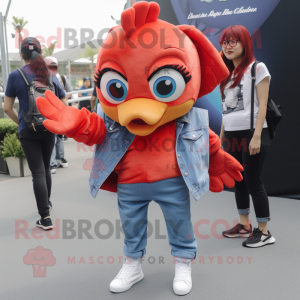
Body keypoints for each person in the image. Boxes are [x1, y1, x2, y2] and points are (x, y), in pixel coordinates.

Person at [219, 25, 275, 248]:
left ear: (245, 44)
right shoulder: (225, 74)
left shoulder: (257, 68)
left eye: (233, 42)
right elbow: (224, 111)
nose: (228, 46)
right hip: (231, 133)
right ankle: (244, 226)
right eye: (224, 42)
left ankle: (264, 232)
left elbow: (263, 105)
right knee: (238, 181)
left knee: (253, 180)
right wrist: (221, 140)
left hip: (252, 132)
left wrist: (257, 135)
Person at [3, 37, 67, 230]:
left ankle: (45, 217)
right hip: (48, 127)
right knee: (46, 169)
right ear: (40, 53)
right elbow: (64, 103)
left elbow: (6, 108)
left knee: (37, 172)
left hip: (28, 130)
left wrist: (22, 122)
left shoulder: (16, 75)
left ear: (22, 55)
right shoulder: (49, 74)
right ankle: (46, 204)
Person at [45, 56, 70, 173]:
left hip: (45, 111)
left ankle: (53, 163)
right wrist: (67, 111)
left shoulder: (35, 77)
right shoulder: (54, 76)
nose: (52, 69)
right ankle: (58, 160)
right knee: (57, 136)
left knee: (54, 136)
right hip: (56, 110)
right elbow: (63, 96)